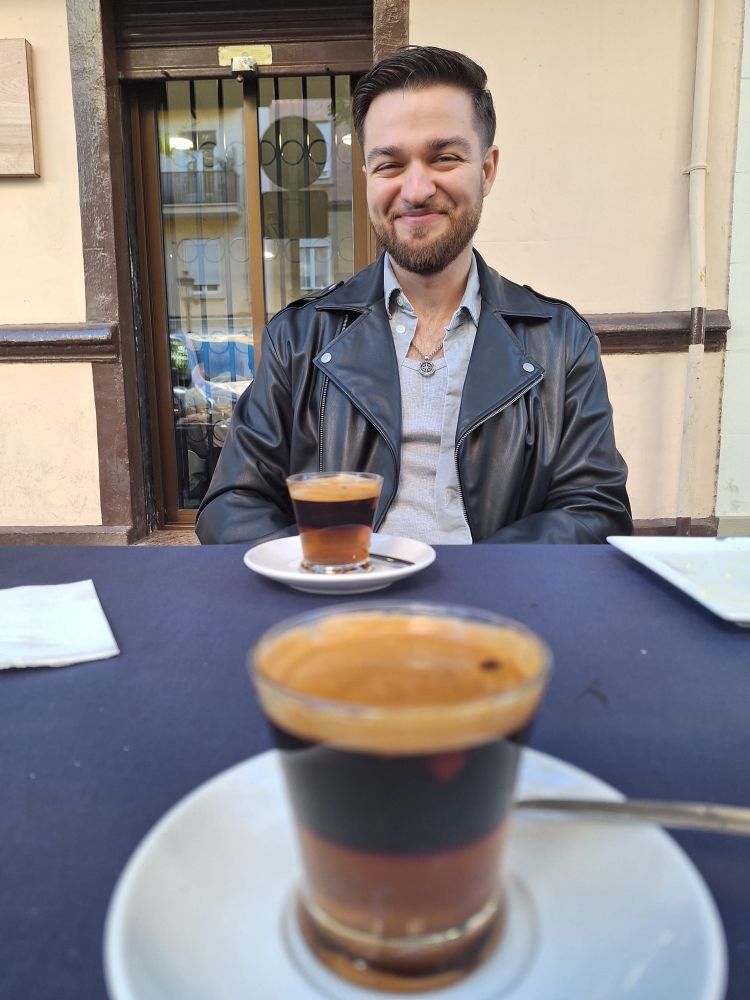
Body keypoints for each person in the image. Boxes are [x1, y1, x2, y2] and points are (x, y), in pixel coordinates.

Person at [196, 46, 632, 546]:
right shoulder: (297, 338)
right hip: (343, 589)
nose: (417, 189)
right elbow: (232, 504)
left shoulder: (560, 341)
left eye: (444, 158)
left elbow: (595, 509)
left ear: (486, 170)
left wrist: (482, 575)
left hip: (496, 594)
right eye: (390, 164)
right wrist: (332, 570)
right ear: (367, 176)